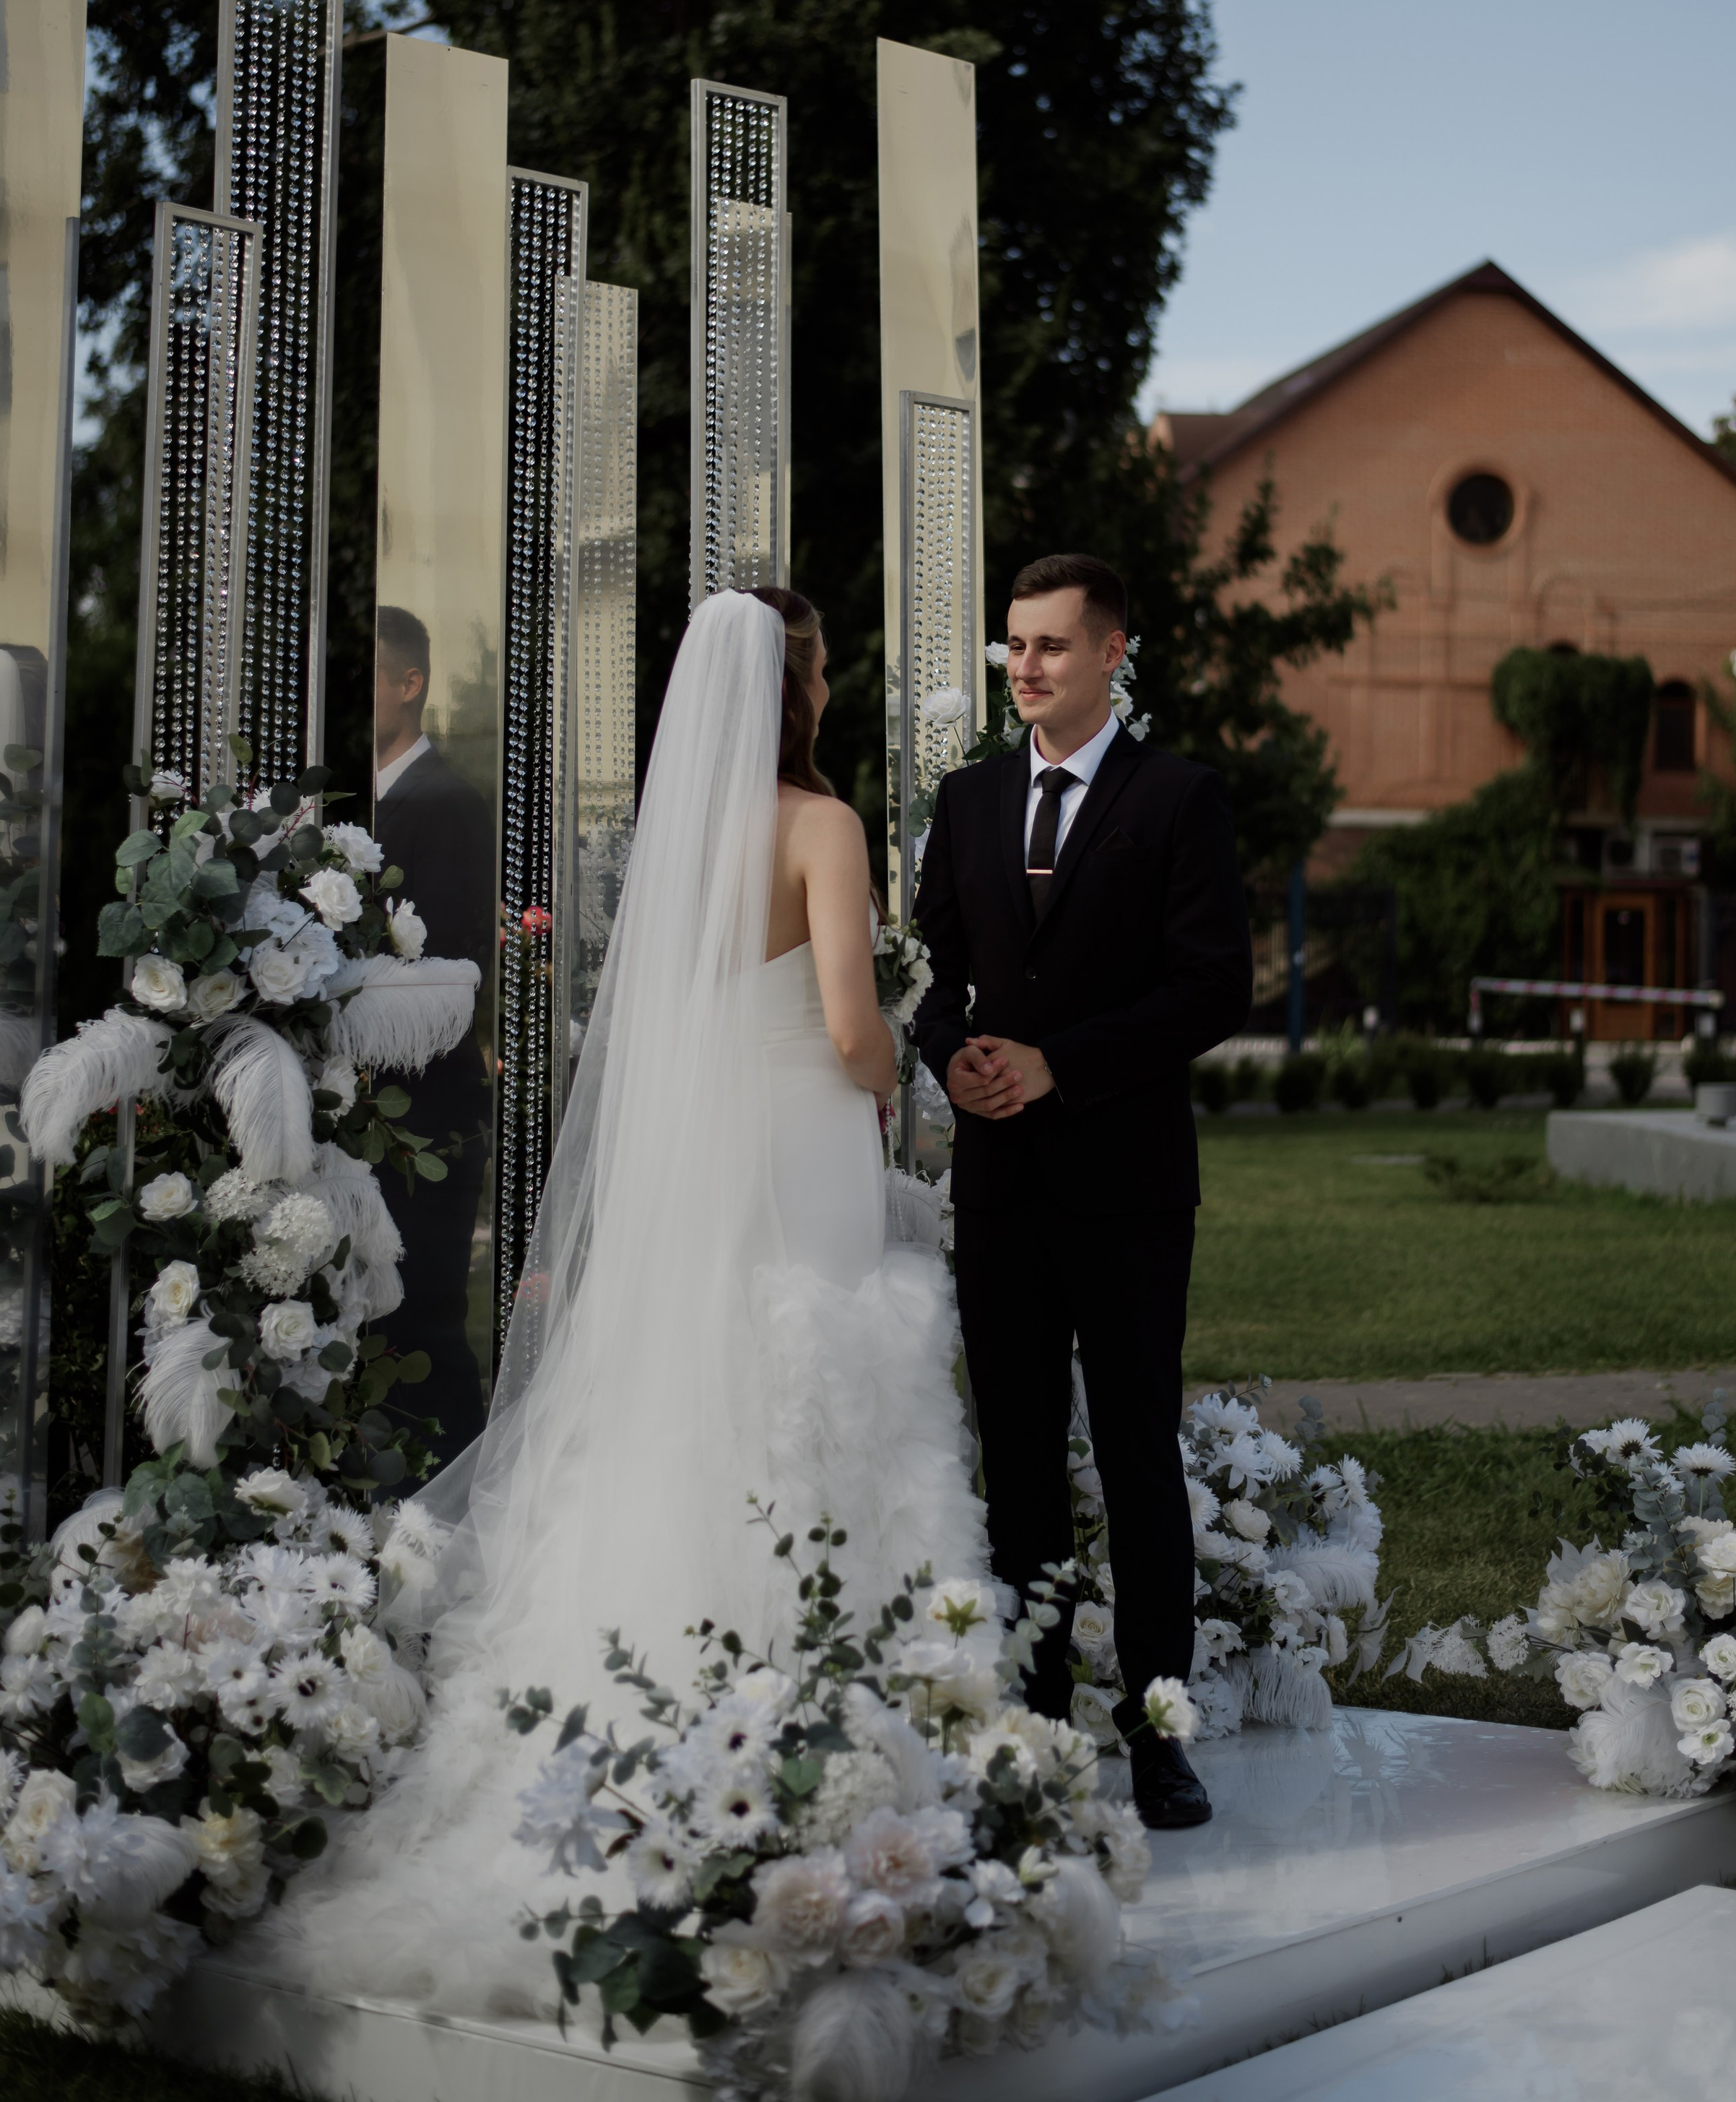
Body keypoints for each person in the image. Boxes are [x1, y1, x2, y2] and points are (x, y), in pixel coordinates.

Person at [258, 589, 986, 2015]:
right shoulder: (818, 828)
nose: (831, 687)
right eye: (824, 666)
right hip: (797, 1147)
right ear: (794, 685)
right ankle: (816, 1723)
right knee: (809, 1398)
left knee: (683, 1403)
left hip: (703, 1151)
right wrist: (890, 1067)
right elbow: (847, 1025)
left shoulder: (677, 836)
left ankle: (641, 1735)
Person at [913, 554, 1253, 1831]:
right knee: (1018, 1463)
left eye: (1052, 645)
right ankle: (1039, 1721)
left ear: (1114, 654)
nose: (1026, 666)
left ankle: (1158, 1727)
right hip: (1001, 1186)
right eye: (1013, 645)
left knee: (1133, 1454)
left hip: (1128, 1186)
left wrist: (1067, 1064)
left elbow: (1215, 987)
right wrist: (953, 1055)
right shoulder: (969, 798)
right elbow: (936, 974)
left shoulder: (1179, 800)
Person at [371, 607, 497, 1458]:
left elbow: (451, 969)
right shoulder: (359, 800)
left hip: (425, 1115)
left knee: (425, 1327)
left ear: (410, 684)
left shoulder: (445, 801)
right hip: (369, 1117)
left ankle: (456, 1499)